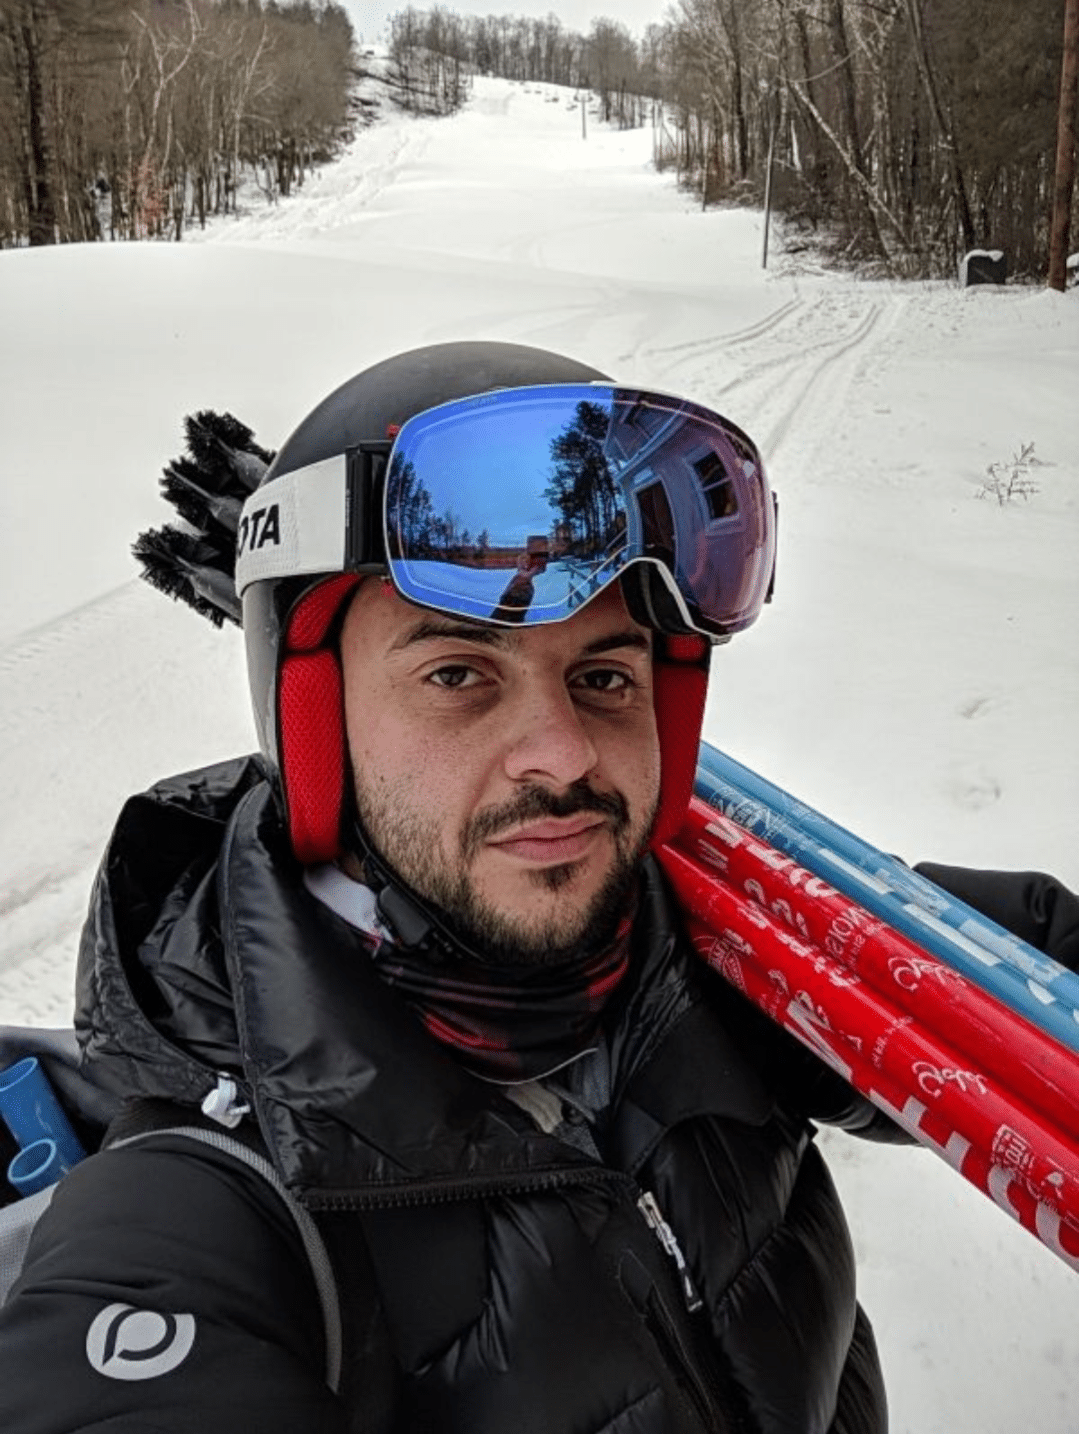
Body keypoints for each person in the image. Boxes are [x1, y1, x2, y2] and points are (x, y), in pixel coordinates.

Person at [0, 342, 1075, 1434]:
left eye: (603, 675)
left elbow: (1007, 1014)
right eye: (457, 674)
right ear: (317, 726)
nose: (562, 755)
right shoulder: (207, 1207)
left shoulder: (725, 958)